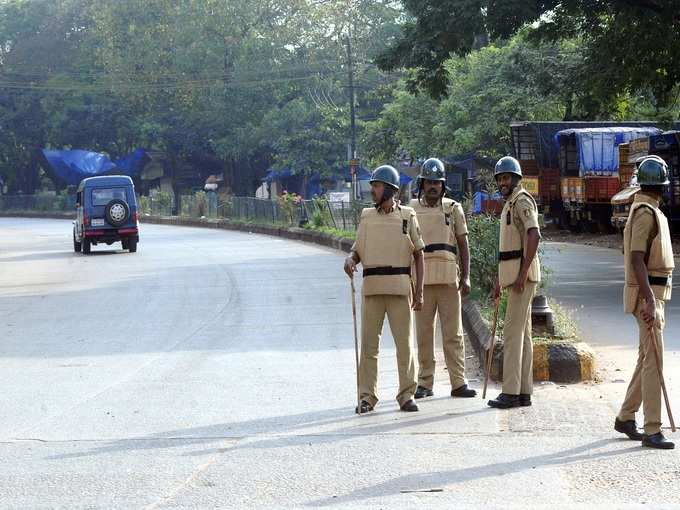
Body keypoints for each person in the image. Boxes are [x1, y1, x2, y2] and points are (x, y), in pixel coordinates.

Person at [344, 164, 425, 413]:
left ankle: (406, 394)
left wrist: (419, 291)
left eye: (377, 186)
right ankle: (366, 396)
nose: (373, 191)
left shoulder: (407, 216)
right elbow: (357, 249)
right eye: (373, 186)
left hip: (400, 288)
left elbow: (419, 254)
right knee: (369, 346)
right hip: (373, 288)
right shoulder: (367, 216)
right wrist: (351, 259)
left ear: (390, 189)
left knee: (404, 345)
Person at [615, 155, 675, 449]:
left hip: (652, 296)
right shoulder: (643, 213)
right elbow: (636, 258)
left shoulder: (651, 210)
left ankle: (626, 416)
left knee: (646, 358)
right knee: (655, 361)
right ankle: (652, 428)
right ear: (662, 185)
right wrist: (649, 301)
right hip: (647, 298)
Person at [409, 158, 476, 400]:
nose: (433, 186)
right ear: (422, 183)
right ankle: (425, 383)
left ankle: (458, 382)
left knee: (453, 334)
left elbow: (463, 244)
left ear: (443, 184)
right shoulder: (411, 210)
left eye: (437, 182)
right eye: (429, 182)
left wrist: (466, 276)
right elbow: (405, 247)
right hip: (422, 282)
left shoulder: (453, 208)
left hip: (449, 280)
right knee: (424, 334)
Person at [488, 156, 541, 409]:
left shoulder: (521, 201)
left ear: (516, 179)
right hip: (515, 277)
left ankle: (510, 392)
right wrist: (501, 280)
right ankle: (523, 391)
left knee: (511, 333)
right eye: (499, 179)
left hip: (523, 278)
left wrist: (522, 274)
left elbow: (534, 233)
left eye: (506, 177)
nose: (502, 182)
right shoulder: (510, 202)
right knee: (524, 335)